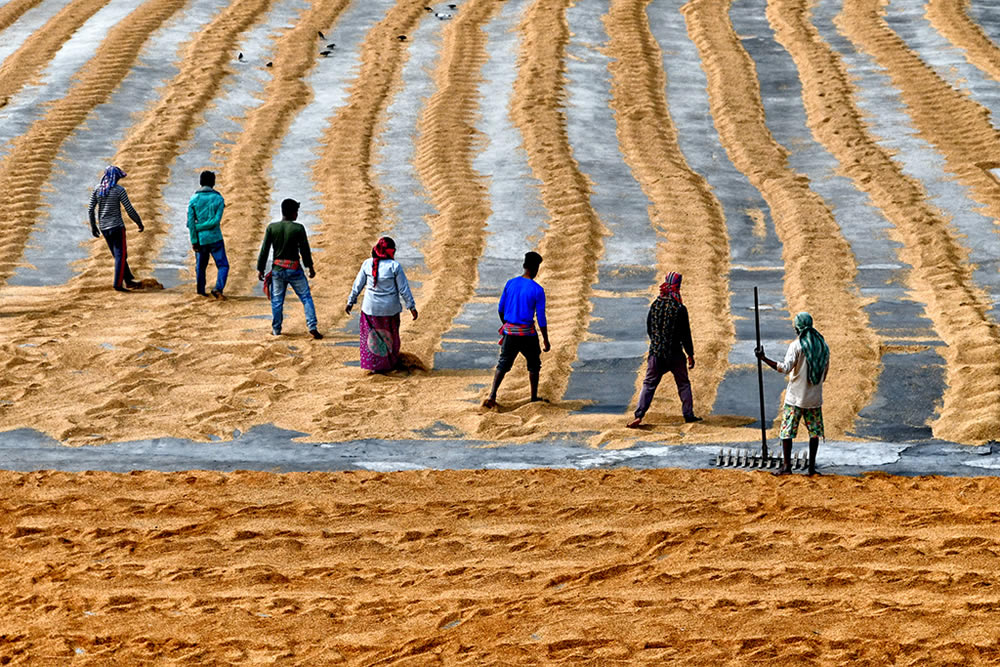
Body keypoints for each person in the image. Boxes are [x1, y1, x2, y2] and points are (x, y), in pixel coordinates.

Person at [755, 312, 830, 476]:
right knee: (814, 433)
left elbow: (784, 368)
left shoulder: (797, 346)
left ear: (798, 327)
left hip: (795, 397)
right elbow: (824, 375)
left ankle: (787, 466)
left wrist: (763, 358)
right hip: (814, 398)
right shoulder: (823, 346)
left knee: (787, 431)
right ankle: (811, 468)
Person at [628, 272, 700, 428]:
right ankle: (688, 415)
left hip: (656, 354)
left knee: (649, 384)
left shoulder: (655, 305)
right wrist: (690, 355)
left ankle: (639, 415)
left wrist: (657, 343)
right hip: (675, 354)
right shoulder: (680, 308)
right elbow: (686, 334)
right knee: (683, 384)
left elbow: (649, 329)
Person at [482, 251, 550, 408]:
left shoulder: (510, 283)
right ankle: (533, 398)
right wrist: (546, 340)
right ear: (535, 269)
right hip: (527, 334)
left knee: (503, 364)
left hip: (510, 332)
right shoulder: (537, 290)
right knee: (534, 364)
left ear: (524, 266)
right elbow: (541, 318)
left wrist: (507, 325)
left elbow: (500, 308)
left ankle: (492, 395)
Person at [345, 237, 418, 372]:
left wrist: (351, 301)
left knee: (371, 337)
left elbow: (357, 285)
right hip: (390, 310)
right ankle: (390, 364)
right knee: (390, 336)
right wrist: (411, 307)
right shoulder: (394, 266)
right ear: (391, 252)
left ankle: (375, 365)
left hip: (370, 309)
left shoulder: (367, 264)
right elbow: (404, 289)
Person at [256, 198, 322, 339]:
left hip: (278, 270)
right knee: (306, 298)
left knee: (277, 301)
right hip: (294, 269)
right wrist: (310, 267)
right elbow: (305, 250)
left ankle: (276, 329)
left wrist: (260, 269)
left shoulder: (272, 228)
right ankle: (312, 326)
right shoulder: (298, 228)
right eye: (296, 211)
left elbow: (264, 250)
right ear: (293, 213)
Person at [88, 165, 144, 291]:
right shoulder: (119, 190)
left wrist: (93, 226)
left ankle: (128, 279)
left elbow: (91, 208)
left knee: (119, 254)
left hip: (104, 227)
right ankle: (118, 284)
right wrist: (139, 222)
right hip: (117, 227)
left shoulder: (98, 189)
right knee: (120, 255)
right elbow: (129, 209)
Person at [187, 170, 228, 299]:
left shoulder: (194, 199)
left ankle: (200, 291)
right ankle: (218, 288)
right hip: (215, 237)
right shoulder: (219, 198)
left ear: (200, 182)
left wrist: (194, 239)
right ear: (213, 183)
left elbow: (190, 223)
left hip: (200, 238)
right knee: (223, 265)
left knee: (200, 266)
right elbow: (216, 221)